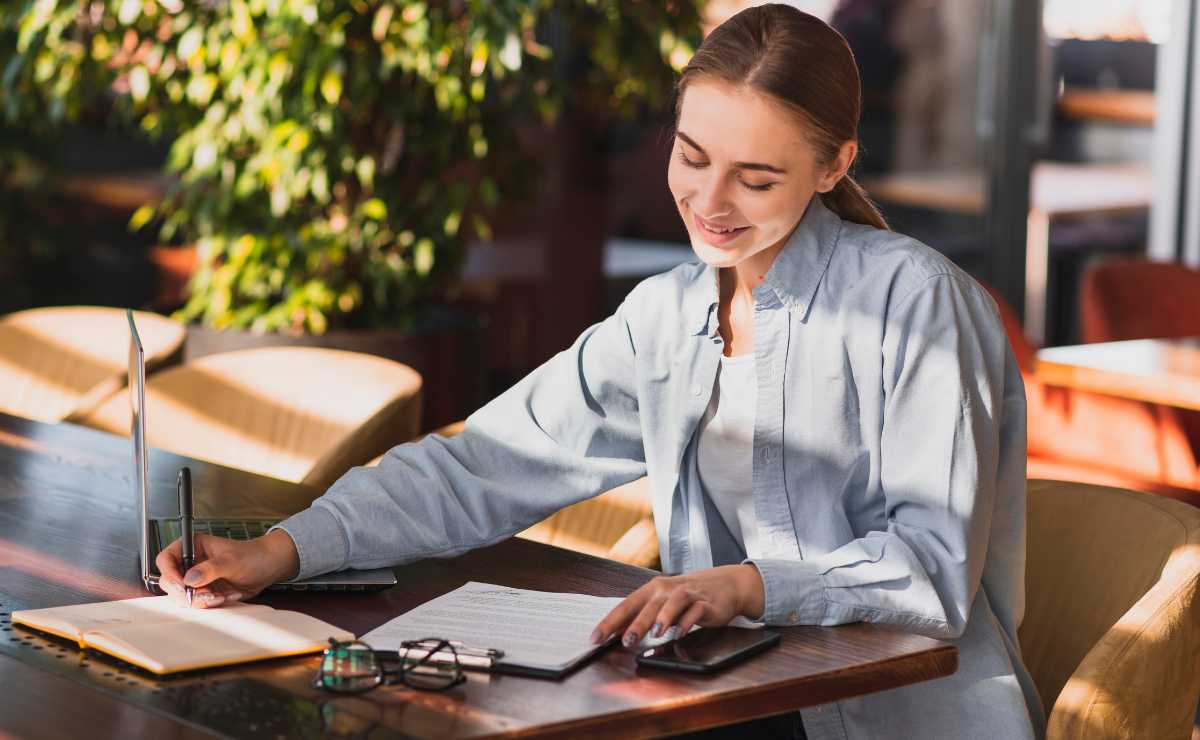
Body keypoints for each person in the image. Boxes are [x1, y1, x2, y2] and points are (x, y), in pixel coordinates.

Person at [156, 5, 1043, 739]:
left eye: (756, 179)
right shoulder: (664, 316)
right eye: (692, 157)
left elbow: (928, 566)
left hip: (891, 719)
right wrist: (284, 549)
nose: (709, 202)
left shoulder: (918, 302)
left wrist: (746, 583)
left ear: (834, 165)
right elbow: (483, 463)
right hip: (720, 698)